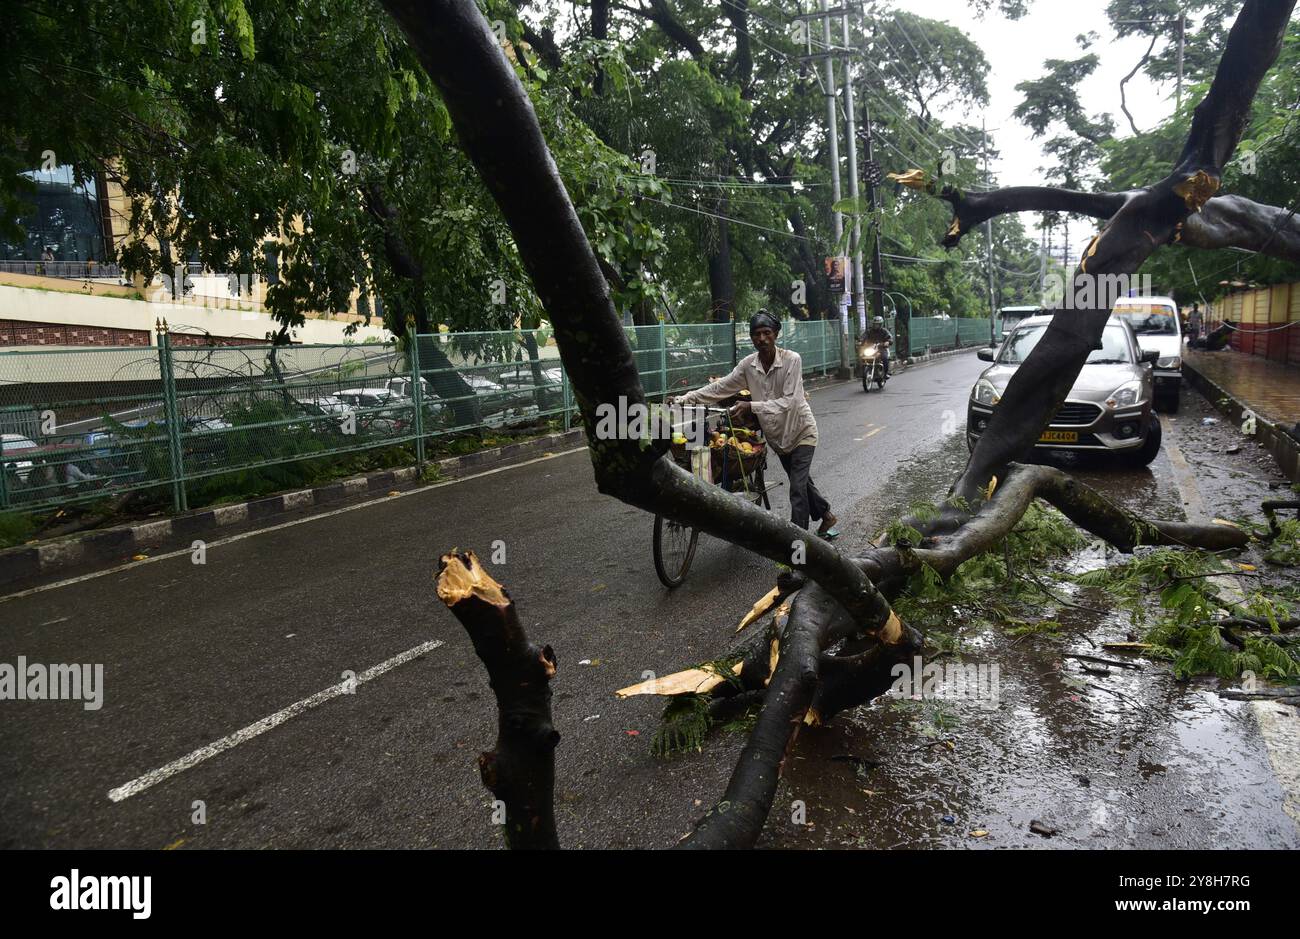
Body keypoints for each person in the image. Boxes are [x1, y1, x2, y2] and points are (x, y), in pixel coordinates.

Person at [674, 310, 839, 539]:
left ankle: (798, 552)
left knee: (797, 490)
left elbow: (790, 401)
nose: (761, 338)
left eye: (766, 333)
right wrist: (686, 398)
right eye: (756, 334)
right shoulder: (748, 365)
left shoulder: (792, 360)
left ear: (776, 334)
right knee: (800, 482)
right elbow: (720, 388)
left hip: (802, 432)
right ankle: (827, 515)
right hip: (778, 439)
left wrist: (751, 406)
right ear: (751, 338)